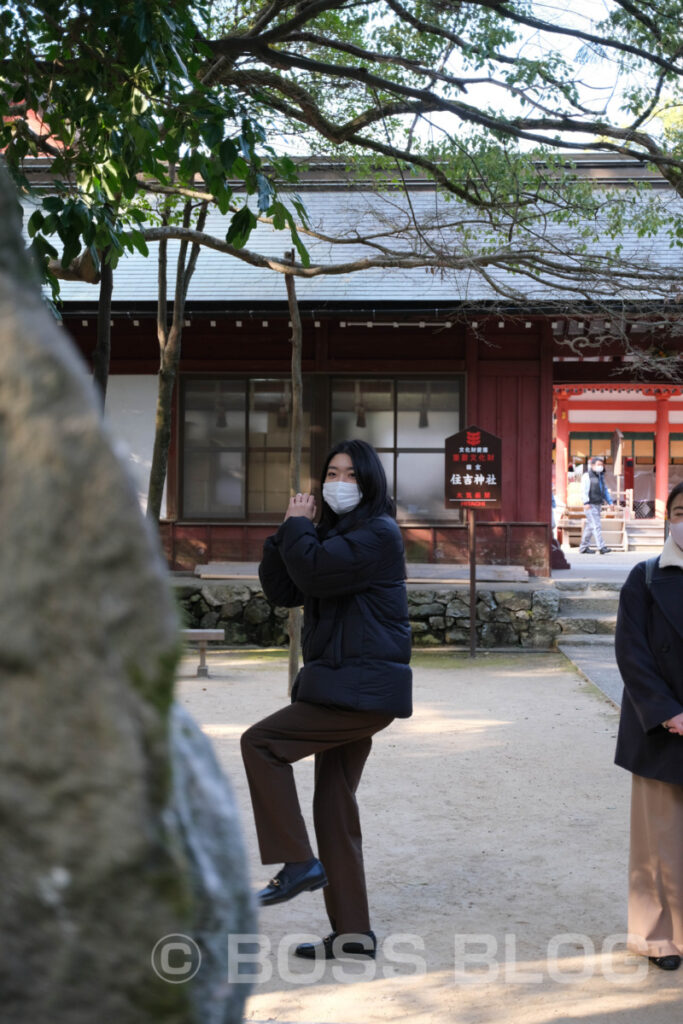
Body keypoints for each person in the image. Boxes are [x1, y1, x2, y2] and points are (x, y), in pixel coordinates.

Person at [240, 439, 412, 961]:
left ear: (370, 482)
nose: (339, 482)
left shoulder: (377, 535)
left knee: (261, 744)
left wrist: (299, 534)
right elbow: (288, 590)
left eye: (351, 475)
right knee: (335, 805)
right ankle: (353, 935)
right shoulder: (334, 537)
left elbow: (311, 571)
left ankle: (297, 864)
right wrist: (285, 533)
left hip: (357, 691)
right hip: (345, 686)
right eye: (332, 473)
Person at [614, 480, 683, 971]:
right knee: (660, 841)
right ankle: (657, 937)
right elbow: (631, 653)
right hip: (662, 726)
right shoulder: (645, 577)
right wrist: (667, 711)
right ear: (668, 517)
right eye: (681, 510)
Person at [579, 456, 613, 553]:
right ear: (592, 465)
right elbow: (583, 490)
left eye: (601, 465)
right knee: (596, 525)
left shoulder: (600, 476)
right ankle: (601, 547)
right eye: (598, 464)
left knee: (591, 526)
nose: (600, 466)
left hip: (598, 504)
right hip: (589, 504)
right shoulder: (587, 476)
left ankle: (583, 547)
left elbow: (605, 490)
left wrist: (610, 502)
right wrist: (585, 502)